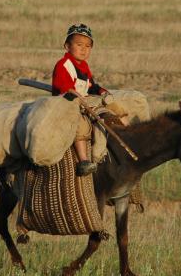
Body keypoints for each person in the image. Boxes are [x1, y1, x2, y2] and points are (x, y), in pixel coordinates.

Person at [52, 23, 128, 176]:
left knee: (115, 108)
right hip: (67, 103)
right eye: (79, 45)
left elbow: (91, 86)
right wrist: (74, 94)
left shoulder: (84, 66)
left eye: (88, 46)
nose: (83, 49)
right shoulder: (63, 65)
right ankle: (84, 160)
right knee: (80, 125)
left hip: (85, 102)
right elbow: (63, 87)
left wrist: (101, 91)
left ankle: (127, 136)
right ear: (67, 46)